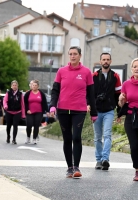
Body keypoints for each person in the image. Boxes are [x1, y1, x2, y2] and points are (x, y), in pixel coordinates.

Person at [49, 46, 97, 179]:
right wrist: (53, 106)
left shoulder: (86, 72)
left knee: (76, 137)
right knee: (67, 139)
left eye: (75, 54)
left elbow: (91, 94)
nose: (72, 56)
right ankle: (69, 167)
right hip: (63, 110)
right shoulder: (61, 71)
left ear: (80, 55)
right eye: (70, 54)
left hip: (79, 110)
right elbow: (55, 91)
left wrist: (94, 112)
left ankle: (76, 167)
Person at [90, 53, 121, 170]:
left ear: (111, 61)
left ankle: (105, 159)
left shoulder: (115, 76)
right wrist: (90, 108)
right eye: (104, 59)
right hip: (97, 110)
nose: (106, 61)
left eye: (108, 59)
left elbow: (119, 95)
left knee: (107, 135)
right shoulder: (94, 76)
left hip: (109, 110)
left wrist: (119, 113)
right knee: (97, 137)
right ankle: (98, 160)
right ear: (100, 61)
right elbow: (90, 94)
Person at [24, 80, 48, 144]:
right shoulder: (28, 93)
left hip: (39, 112)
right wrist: (27, 110)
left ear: (38, 86)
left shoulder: (41, 94)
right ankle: (28, 137)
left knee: (36, 125)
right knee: (29, 124)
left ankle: (34, 138)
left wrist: (47, 111)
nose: (34, 86)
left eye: (35, 85)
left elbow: (44, 103)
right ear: (31, 86)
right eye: (33, 85)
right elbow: (24, 103)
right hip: (30, 112)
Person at [3, 80, 25, 144]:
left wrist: (23, 114)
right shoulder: (8, 93)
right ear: (11, 86)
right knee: (8, 125)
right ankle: (8, 136)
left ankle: (14, 139)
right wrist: (5, 106)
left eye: (15, 85)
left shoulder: (20, 94)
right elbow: (5, 100)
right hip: (9, 111)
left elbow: (22, 104)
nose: (14, 86)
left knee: (15, 125)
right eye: (13, 85)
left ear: (17, 86)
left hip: (17, 112)